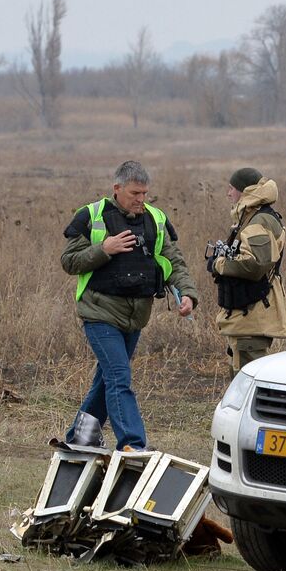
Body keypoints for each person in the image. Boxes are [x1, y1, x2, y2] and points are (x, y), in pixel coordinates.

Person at [61, 160, 199, 451]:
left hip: (136, 316)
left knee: (107, 378)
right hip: (99, 313)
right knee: (119, 377)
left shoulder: (156, 219)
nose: (141, 200)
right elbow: (69, 262)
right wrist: (104, 249)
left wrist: (187, 294)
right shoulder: (91, 215)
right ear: (117, 189)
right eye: (135, 193)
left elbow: (174, 262)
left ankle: (80, 436)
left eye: (145, 193)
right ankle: (133, 444)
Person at [208, 167, 286, 376]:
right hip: (247, 313)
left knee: (248, 381)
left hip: (253, 313)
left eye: (231, 189)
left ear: (245, 191)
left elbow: (255, 265)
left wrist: (219, 263)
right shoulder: (252, 217)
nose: (228, 193)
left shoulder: (258, 221)